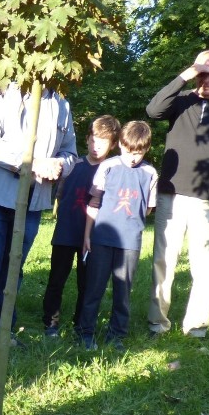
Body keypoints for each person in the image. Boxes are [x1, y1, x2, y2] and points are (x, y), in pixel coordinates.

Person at [0, 86, 77, 356]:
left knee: (15, 264)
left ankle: (5, 327)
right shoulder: (0, 94)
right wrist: (32, 163)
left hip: (34, 200)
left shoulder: (61, 102)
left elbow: (70, 151)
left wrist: (60, 165)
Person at [146, 50, 209, 338]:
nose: (207, 77)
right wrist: (186, 74)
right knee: (163, 260)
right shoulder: (180, 102)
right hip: (172, 194)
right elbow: (153, 111)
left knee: (205, 266)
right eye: (203, 71)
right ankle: (157, 324)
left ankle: (196, 327)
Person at [78, 121, 158, 351]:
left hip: (130, 242)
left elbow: (148, 208)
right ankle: (86, 332)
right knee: (94, 288)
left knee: (122, 291)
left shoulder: (150, 173)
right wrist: (87, 235)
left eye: (138, 152)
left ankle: (117, 335)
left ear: (146, 149)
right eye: (128, 151)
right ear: (120, 145)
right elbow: (94, 201)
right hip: (102, 237)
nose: (132, 157)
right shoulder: (109, 166)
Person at [41, 115, 121, 337]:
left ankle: (81, 324)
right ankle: (50, 322)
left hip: (94, 237)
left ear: (113, 144)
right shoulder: (72, 165)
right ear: (87, 139)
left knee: (87, 283)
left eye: (104, 142)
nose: (97, 146)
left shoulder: (113, 170)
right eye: (94, 140)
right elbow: (57, 191)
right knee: (57, 279)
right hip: (66, 232)